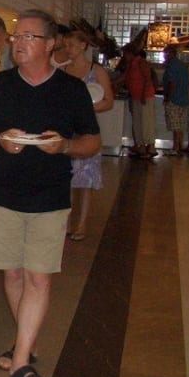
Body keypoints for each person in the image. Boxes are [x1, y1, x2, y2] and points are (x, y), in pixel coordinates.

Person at [0, 9, 100, 377]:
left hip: (50, 196)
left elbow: (92, 141)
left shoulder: (71, 90)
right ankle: (28, 342)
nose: (18, 43)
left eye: (28, 36)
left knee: (38, 277)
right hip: (5, 194)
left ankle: (21, 361)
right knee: (12, 274)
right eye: (16, 36)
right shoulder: (0, 85)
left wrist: (65, 146)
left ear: (49, 43)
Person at [62, 29, 114, 241]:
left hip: (87, 129)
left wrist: (85, 110)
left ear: (83, 46)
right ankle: (66, 222)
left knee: (86, 179)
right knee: (66, 177)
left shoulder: (96, 71)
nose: (68, 50)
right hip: (68, 129)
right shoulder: (64, 70)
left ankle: (81, 224)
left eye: (72, 45)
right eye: (66, 46)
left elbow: (108, 101)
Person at [123, 47, 157, 158]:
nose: (124, 56)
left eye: (126, 54)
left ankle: (151, 147)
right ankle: (141, 146)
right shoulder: (131, 65)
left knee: (146, 121)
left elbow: (147, 78)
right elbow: (125, 78)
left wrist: (143, 94)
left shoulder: (141, 62)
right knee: (137, 122)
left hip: (145, 96)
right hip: (135, 96)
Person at [161, 44, 189, 155]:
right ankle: (180, 146)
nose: (164, 56)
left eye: (165, 54)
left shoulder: (172, 66)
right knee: (181, 124)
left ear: (171, 54)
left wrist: (168, 98)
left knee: (175, 125)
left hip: (174, 99)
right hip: (184, 98)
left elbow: (172, 84)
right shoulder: (182, 65)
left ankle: (175, 148)